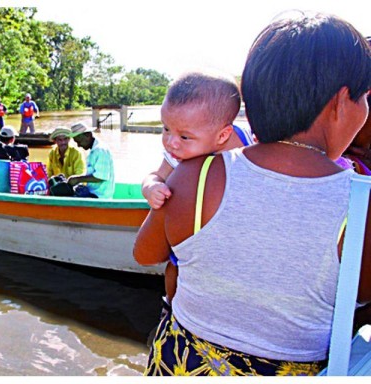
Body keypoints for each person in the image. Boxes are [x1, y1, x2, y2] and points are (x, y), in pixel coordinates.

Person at [134, 12, 370, 376]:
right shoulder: (361, 204)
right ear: (341, 103)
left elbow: (146, 252)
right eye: (365, 97)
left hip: (179, 364)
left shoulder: (197, 174)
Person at [141, 70, 255, 322]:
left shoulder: (248, 145)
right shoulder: (179, 151)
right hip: (191, 229)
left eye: (183, 136)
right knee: (175, 268)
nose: (171, 142)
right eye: (165, 128)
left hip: (229, 232)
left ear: (223, 135)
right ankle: (172, 308)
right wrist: (151, 188)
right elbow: (155, 175)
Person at [67, 122, 115, 198]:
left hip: (100, 196)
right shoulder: (94, 150)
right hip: (93, 192)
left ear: (88, 135)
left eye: (79, 142)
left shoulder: (100, 150)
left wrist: (78, 179)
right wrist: (78, 179)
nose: (78, 145)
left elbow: (101, 177)